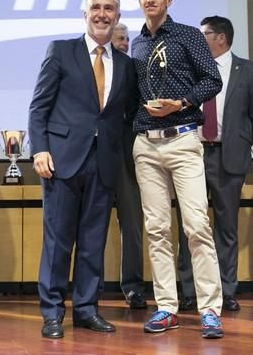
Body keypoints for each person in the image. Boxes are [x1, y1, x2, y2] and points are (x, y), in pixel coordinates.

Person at [29, 0, 136, 339]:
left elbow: (127, 117)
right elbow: (39, 106)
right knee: (58, 242)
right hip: (60, 162)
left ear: (117, 16)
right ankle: (52, 313)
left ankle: (87, 309)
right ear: (85, 13)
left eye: (109, 9)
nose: (102, 14)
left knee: (93, 242)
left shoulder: (126, 65)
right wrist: (40, 149)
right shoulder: (61, 51)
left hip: (104, 164)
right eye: (96, 8)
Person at [132, 0, 224, 339]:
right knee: (156, 229)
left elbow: (212, 80)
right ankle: (167, 307)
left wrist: (181, 103)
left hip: (184, 139)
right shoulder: (136, 44)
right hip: (146, 145)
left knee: (196, 226)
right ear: (139, 0)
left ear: (169, 0)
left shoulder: (188, 35)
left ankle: (210, 310)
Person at [176, 16, 253, 312]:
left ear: (221, 37)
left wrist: (238, 140)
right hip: (192, 156)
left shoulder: (249, 71)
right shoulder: (190, 70)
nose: (198, 39)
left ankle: (226, 290)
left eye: (204, 34)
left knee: (226, 228)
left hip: (229, 157)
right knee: (190, 227)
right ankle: (189, 290)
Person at [110, 22, 147, 309]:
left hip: (129, 153)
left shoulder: (135, 70)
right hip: (93, 154)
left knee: (133, 224)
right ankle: (89, 288)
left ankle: (133, 287)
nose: (124, 43)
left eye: (126, 39)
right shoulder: (89, 67)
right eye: (119, 38)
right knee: (89, 225)